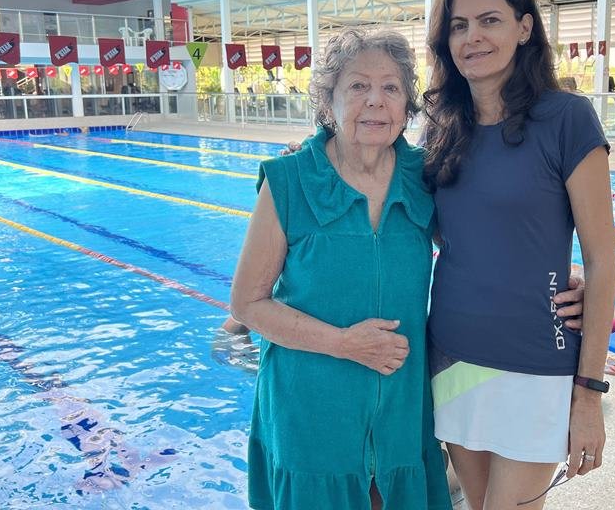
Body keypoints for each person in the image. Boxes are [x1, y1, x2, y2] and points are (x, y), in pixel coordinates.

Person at [229, 27, 588, 510]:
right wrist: (343, 343)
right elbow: (247, 304)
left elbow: (482, 247)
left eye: (391, 88)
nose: (375, 101)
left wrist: (555, 280)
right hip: (313, 407)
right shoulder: (289, 182)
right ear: (328, 101)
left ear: (406, 107)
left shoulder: (425, 176)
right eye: (358, 86)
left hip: (400, 404)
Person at [423, 0, 615, 509]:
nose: (473, 37)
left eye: (490, 20)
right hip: (454, 355)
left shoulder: (568, 119)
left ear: (525, 28)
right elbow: (450, 236)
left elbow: (602, 260)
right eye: (458, 26)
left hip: (538, 357)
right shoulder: (442, 126)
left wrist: (589, 394)